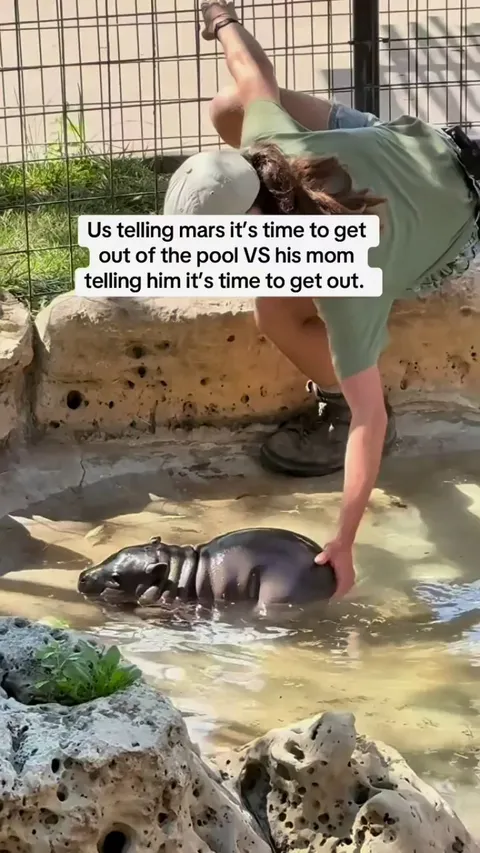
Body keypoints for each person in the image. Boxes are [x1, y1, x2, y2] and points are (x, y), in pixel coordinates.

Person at [163, 0, 480, 598]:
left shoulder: (344, 269)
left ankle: (325, 400)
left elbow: (373, 420)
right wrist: (221, 19)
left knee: (273, 310)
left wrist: (344, 539)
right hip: (417, 148)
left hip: (460, 227)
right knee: (233, 105)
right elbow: (250, 71)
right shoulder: (266, 150)